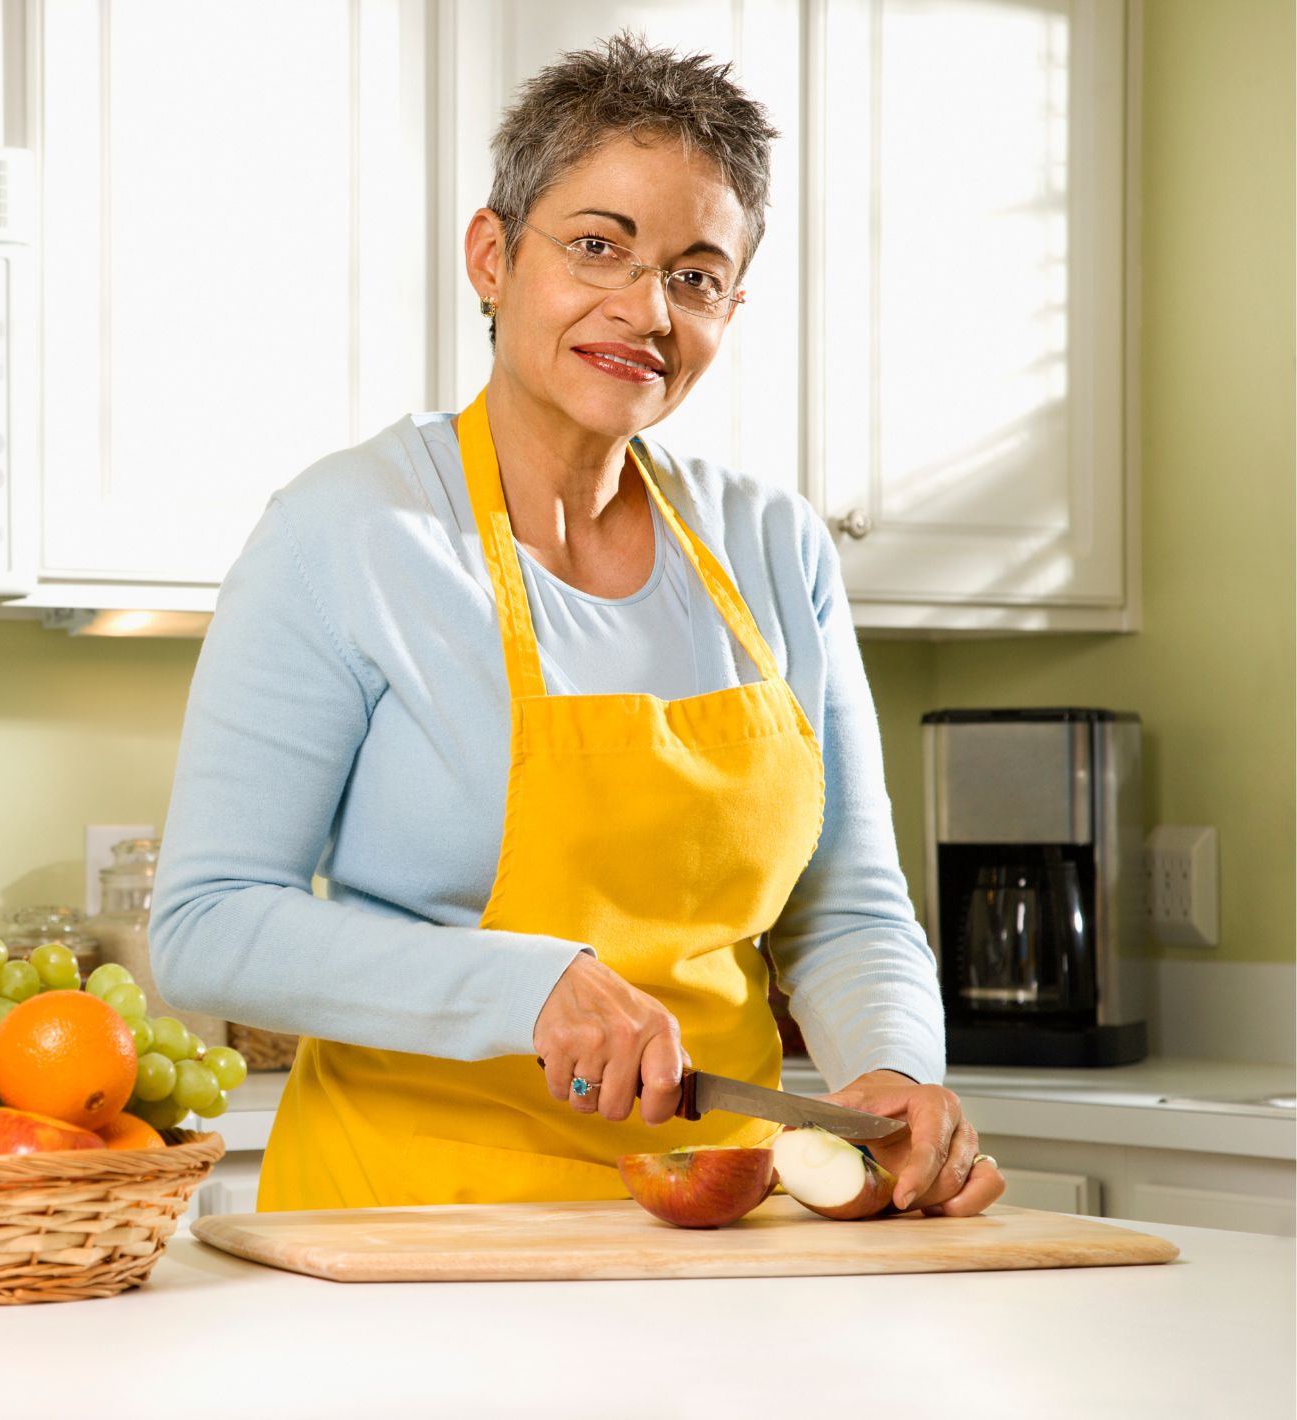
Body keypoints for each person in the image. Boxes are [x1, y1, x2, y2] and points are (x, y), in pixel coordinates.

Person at [150, 32, 1005, 1217]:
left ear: (730, 307)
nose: (644, 310)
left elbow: (846, 907)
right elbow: (207, 924)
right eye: (597, 246)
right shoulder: (344, 534)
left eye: (694, 276)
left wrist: (894, 1071)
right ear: (491, 255)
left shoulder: (775, 545)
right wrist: (526, 987)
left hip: (715, 1213)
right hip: (406, 1224)